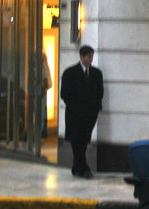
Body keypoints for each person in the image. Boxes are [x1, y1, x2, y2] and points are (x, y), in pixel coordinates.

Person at [60, 45, 104, 178]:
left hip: (89, 115)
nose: (91, 59)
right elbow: (65, 94)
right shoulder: (70, 73)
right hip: (75, 115)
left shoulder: (96, 73)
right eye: (88, 56)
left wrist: (94, 108)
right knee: (76, 141)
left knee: (84, 141)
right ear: (82, 57)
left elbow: (99, 92)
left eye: (92, 56)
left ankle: (77, 167)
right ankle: (84, 167)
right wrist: (76, 107)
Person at [40, 52, 52, 138]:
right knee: (42, 111)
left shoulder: (43, 62)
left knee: (42, 111)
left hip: (41, 89)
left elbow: (46, 75)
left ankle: (42, 131)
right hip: (41, 89)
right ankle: (42, 131)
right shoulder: (43, 62)